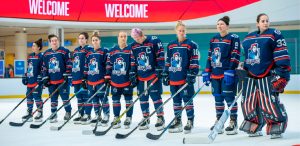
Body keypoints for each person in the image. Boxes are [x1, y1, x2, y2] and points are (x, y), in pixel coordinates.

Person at [239, 13, 290, 139]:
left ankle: (276, 124)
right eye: (263, 21)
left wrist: (282, 74)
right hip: (250, 76)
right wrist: (242, 70)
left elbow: (281, 54)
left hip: (267, 75)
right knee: (247, 102)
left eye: (267, 20)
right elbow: (246, 59)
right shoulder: (248, 38)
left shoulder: (274, 35)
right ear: (257, 23)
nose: (265, 23)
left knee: (268, 102)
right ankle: (254, 124)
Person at [203, 16, 241, 135]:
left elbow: (235, 55)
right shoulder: (213, 39)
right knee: (218, 99)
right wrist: (207, 71)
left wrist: (231, 70)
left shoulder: (233, 38)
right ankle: (219, 121)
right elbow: (210, 56)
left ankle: (233, 122)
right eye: (218, 24)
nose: (220, 26)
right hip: (215, 74)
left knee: (229, 98)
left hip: (227, 74)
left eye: (222, 24)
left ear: (227, 26)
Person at [162, 21, 200, 134]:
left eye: (183, 31)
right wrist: (165, 73)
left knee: (187, 101)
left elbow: (194, 61)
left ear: (186, 31)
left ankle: (190, 121)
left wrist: (192, 73)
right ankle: (178, 121)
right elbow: (168, 61)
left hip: (185, 79)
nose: (182, 32)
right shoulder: (171, 45)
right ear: (176, 31)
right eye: (180, 30)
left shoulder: (191, 45)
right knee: (176, 102)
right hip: (173, 78)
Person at [130, 28, 165, 131]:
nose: (136, 40)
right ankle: (146, 117)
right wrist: (132, 72)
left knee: (156, 97)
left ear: (142, 35)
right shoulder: (133, 46)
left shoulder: (154, 40)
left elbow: (160, 55)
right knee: (143, 99)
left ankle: (160, 117)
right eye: (134, 38)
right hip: (141, 76)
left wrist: (160, 68)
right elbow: (133, 61)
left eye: (137, 38)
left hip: (153, 75)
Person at [106, 31, 134, 129]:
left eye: (124, 36)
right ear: (118, 38)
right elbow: (109, 64)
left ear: (127, 38)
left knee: (128, 100)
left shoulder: (131, 50)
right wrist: (107, 77)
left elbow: (133, 64)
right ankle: (116, 117)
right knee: (115, 100)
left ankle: (128, 118)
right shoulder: (112, 50)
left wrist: (133, 75)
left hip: (127, 81)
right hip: (115, 81)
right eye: (121, 36)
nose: (123, 38)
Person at [82, 31, 110, 126]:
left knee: (103, 98)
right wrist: (84, 77)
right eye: (93, 40)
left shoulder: (104, 51)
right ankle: (97, 115)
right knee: (94, 99)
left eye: (96, 40)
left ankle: (106, 115)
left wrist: (107, 76)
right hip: (91, 80)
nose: (95, 42)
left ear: (99, 41)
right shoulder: (89, 53)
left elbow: (107, 64)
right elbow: (86, 66)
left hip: (101, 80)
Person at [42, 34, 72, 123]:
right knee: (53, 99)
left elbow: (69, 63)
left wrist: (67, 74)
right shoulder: (46, 53)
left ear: (58, 41)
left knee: (65, 98)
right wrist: (45, 77)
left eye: (56, 40)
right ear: (50, 42)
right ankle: (53, 114)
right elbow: (44, 67)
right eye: (52, 41)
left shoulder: (64, 51)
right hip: (51, 81)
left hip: (62, 80)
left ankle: (68, 111)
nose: (54, 42)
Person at [70, 32, 93, 124]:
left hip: (84, 77)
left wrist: (86, 76)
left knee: (86, 96)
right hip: (76, 77)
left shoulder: (89, 49)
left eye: (83, 38)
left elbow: (89, 63)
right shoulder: (75, 50)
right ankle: (81, 113)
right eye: (79, 38)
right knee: (79, 97)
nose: (81, 40)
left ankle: (87, 114)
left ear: (86, 39)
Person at [21, 38, 44, 122]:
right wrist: (25, 76)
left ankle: (40, 113)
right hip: (30, 81)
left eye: (34, 46)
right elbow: (29, 68)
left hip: (37, 82)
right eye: (32, 46)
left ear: (39, 47)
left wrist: (41, 78)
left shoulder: (42, 56)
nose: (32, 47)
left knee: (37, 97)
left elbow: (44, 69)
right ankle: (29, 113)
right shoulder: (30, 56)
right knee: (29, 97)